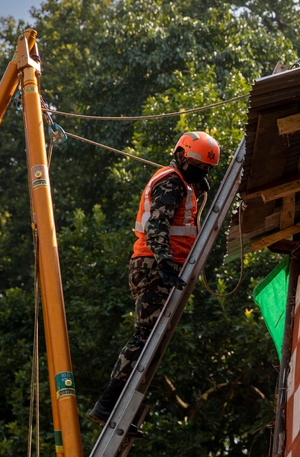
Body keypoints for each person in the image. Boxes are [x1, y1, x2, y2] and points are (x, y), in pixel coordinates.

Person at [89, 130, 221, 428]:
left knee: (151, 340)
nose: (198, 173)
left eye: (204, 170)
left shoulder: (185, 185)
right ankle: (107, 404)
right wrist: (165, 265)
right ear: (180, 156)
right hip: (154, 266)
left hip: (156, 265)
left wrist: (198, 188)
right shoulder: (171, 181)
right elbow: (157, 225)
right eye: (196, 167)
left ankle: (120, 409)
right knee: (144, 337)